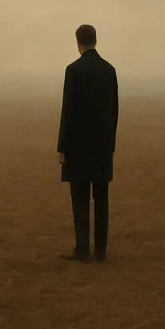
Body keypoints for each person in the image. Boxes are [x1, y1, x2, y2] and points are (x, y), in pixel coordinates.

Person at [57, 24, 119, 263]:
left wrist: (62, 145)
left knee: (80, 199)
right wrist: (110, 143)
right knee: (102, 199)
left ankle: (82, 249)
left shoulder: (73, 70)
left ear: (78, 42)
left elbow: (68, 111)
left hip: (79, 147)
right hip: (102, 146)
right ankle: (101, 251)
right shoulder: (109, 70)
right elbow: (114, 111)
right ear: (96, 40)